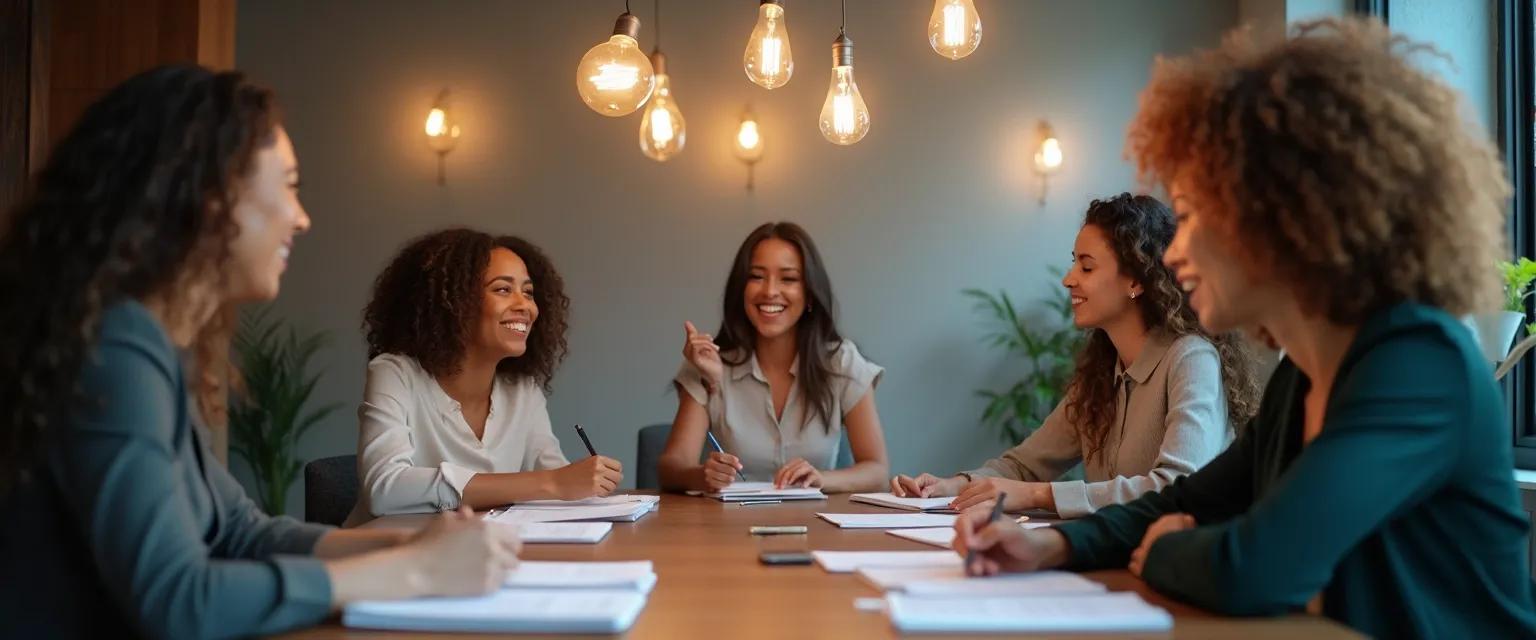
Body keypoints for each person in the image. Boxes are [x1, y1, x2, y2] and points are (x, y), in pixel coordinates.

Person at [953, 18, 1536, 637]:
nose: (1174, 258)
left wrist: (1169, 550)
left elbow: (1259, 567)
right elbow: (1186, 502)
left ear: (1277, 219)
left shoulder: (1418, 363)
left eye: (1192, 216)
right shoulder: (1300, 379)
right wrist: (1052, 548)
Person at [0, 66, 518, 638]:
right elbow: (177, 600)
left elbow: (240, 532)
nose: (301, 217)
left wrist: (409, 542)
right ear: (210, 197)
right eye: (290, 185)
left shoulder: (153, 347)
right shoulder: (113, 346)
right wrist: (410, 571)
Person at [891, 194, 1260, 517]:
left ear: (1135, 280)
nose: (1069, 279)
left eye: (1086, 266)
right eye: (1074, 263)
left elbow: (1179, 486)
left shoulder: (1191, 360)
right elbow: (1024, 466)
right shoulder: (1103, 373)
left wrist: (1040, 495)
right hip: (1117, 559)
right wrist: (951, 487)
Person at [347, 228, 622, 525]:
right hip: (385, 559)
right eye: (503, 289)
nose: (525, 306)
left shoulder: (523, 391)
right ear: (453, 302)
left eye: (528, 292)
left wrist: (582, 483)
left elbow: (553, 478)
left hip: (476, 558)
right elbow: (385, 488)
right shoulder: (395, 373)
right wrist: (554, 483)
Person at [658, 222, 890, 493]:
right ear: (741, 289)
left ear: (810, 294)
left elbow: (877, 471)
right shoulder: (708, 362)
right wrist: (703, 476)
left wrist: (821, 479)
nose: (769, 291)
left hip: (816, 529)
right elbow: (672, 467)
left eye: (788, 279)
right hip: (728, 529)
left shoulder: (842, 362)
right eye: (756, 276)